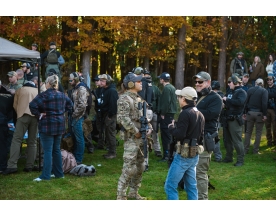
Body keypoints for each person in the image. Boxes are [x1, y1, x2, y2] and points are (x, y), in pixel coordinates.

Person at [29, 75, 73, 181]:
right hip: (59, 124)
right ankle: (59, 174)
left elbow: (32, 105)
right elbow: (70, 105)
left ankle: (45, 175)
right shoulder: (62, 95)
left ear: (48, 83)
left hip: (47, 125)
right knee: (56, 150)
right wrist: (61, 111)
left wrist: (39, 114)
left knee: (48, 151)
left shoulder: (43, 95)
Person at [116, 73, 152, 200]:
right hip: (131, 138)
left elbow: (145, 118)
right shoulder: (124, 99)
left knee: (140, 166)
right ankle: (121, 195)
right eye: (138, 81)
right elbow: (122, 118)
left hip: (141, 137)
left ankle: (133, 192)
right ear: (130, 84)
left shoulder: (139, 99)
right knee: (129, 168)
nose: (141, 83)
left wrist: (149, 129)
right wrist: (135, 131)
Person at [164, 87, 205, 200]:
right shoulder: (200, 113)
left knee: (170, 186)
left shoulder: (185, 113)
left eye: (179, 97)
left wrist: (171, 127)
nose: (178, 99)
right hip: (194, 155)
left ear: (184, 99)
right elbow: (201, 135)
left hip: (183, 156)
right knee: (191, 187)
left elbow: (180, 134)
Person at [193, 72, 222, 200]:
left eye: (200, 82)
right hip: (193, 137)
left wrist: (193, 110)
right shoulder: (196, 96)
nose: (197, 84)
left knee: (200, 172)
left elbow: (211, 114)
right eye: (196, 82)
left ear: (208, 82)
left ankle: (202, 200)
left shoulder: (215, 98)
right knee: (192, 170)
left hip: (206, 138)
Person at [2, 81, 38, 175]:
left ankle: (12, 165)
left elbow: (15, 105)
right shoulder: (37, 91)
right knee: (33, 141)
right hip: (35, 117)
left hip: (23, 115)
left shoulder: (20, 90)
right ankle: (29, 165)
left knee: (17, 140)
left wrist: (19, 114)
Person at [222, 75, 247, 166]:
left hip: (235, 119)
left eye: (230, 82)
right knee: (227, 140)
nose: (228, 84)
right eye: (228, 82)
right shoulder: (230, 91)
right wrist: (224, 103)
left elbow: (239, 103)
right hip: (227, 118)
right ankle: (229, 157)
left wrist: (227, 100)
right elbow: (226, 101)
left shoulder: (241, 92)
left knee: (237, 140)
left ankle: (240, 160)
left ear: (235, 82)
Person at [243, 78, 268, 154]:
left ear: (255, 83)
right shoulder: (264, 91)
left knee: (248, 132)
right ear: (262, 84)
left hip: (250, 113)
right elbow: (264, 104)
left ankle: (245, 149)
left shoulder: (250, 90)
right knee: (258, 132)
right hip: (259, 114)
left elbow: (245, 102)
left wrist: (244, 112)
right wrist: (265, 114)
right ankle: (255, 150)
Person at [68, 72, 88, 165]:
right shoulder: (75, 88)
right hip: (74, 116)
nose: (69, 82)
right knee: (75, 138)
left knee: (79, 139)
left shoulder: (81, 88)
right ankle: (75, 156)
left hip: (78, 117)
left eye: (71, 80)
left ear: (76, 79)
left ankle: (79, 158)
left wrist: (75, 115)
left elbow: (82, 105)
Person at [98, 74, 119, 159]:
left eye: (103, 81)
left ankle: (113, 152)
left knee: (110, 134)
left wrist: (110, 116)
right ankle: (110, 151)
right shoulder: (104, 89)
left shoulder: (112, 91)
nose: (101, 82)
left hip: (110, 115)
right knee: (107, 133)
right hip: (104, 114)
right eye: (101, 81)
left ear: (108, 81)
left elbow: (114, 105)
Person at [157, 72, 177, 162]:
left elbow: (166, 102)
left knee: (165, 136)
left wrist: (162, 113)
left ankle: (167, 155)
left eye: (160, 78)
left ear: (162, 80)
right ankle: (170, 153)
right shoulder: (172, 87)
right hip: (171, 114)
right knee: (169, 135)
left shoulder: (166, 89)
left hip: (167, 115)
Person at [0, 92, 14, 174]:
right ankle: (2, 166)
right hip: (3, 122)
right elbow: (12, 110)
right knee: (2, 145)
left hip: (2, 121)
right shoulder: (9, 96)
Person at [210, 80, 223, 162]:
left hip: (215, 120)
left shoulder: (216, 96)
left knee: (214, 138)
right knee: (214, 138)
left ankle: (218, 156)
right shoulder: (221, 95)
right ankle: (217, 156)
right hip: (218, 120)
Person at [92, 75, 105, 149]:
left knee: (103, 129)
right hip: (98, 111)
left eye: (97, 80)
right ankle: (100, 144)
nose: (96, 82)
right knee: (99, 128)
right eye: (95, 81)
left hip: (103, 112)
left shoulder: (104, 89)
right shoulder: (97, 90)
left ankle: (104, 144)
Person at [265, 73, 276, 146]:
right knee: (267, 127)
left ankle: (275, 141)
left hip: (274, 110)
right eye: (268, 80)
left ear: (273, 80)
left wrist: (268, 95)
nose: (269, 81)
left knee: (275, 127)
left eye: (270, 79)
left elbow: (273, 95)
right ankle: (269, 141)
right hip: (267, 109)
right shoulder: (265, 88)